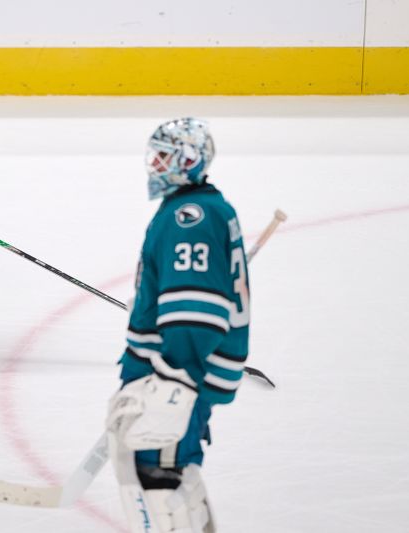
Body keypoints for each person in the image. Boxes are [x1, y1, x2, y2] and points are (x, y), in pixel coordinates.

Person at [106, 118, 249, 533]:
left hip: (175, 372)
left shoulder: (192, 215)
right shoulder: (199, 208)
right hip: (174, 369)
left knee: (157, 474)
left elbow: (196, 314)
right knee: (170, 466)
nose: (154, 163)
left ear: (188, 159)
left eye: (164, 154)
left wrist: (174, 380)